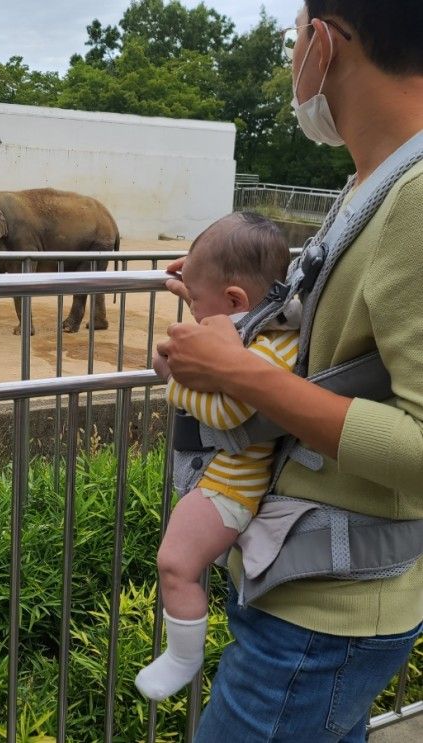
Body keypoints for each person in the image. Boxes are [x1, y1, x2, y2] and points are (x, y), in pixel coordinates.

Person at [155, 2, 423, 740]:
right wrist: (218, 301)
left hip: (320, 621)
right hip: (313, 593)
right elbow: (337, 341)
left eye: (291, 39)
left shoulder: (413, 197)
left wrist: (241, 375)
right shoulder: (374, 183)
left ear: (322, 44)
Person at [135, 212, 299, 701]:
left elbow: (231, 413)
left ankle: (184, 656)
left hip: (232, 488)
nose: (194, 314)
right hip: (227, 479)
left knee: (175, 563)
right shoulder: (262, 327)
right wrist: (199, 284)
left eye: (197, 304)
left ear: (234, 302)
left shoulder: (271, 349)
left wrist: (173, 384)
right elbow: (228, 319)